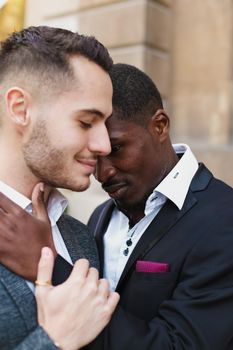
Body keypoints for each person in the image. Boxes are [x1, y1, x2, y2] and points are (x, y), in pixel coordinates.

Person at [1, 63, 233, 349]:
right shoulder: (99, 217)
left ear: (160, 126)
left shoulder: (224, 217)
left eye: (116, 149)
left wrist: (47, 263)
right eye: (95, 157)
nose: (102, 174)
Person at [0, 25, 119, 350]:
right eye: (85, 122)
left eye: (105, 125)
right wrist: (53, 342)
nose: (104, 145)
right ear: (20, 109)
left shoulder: (79, 237)